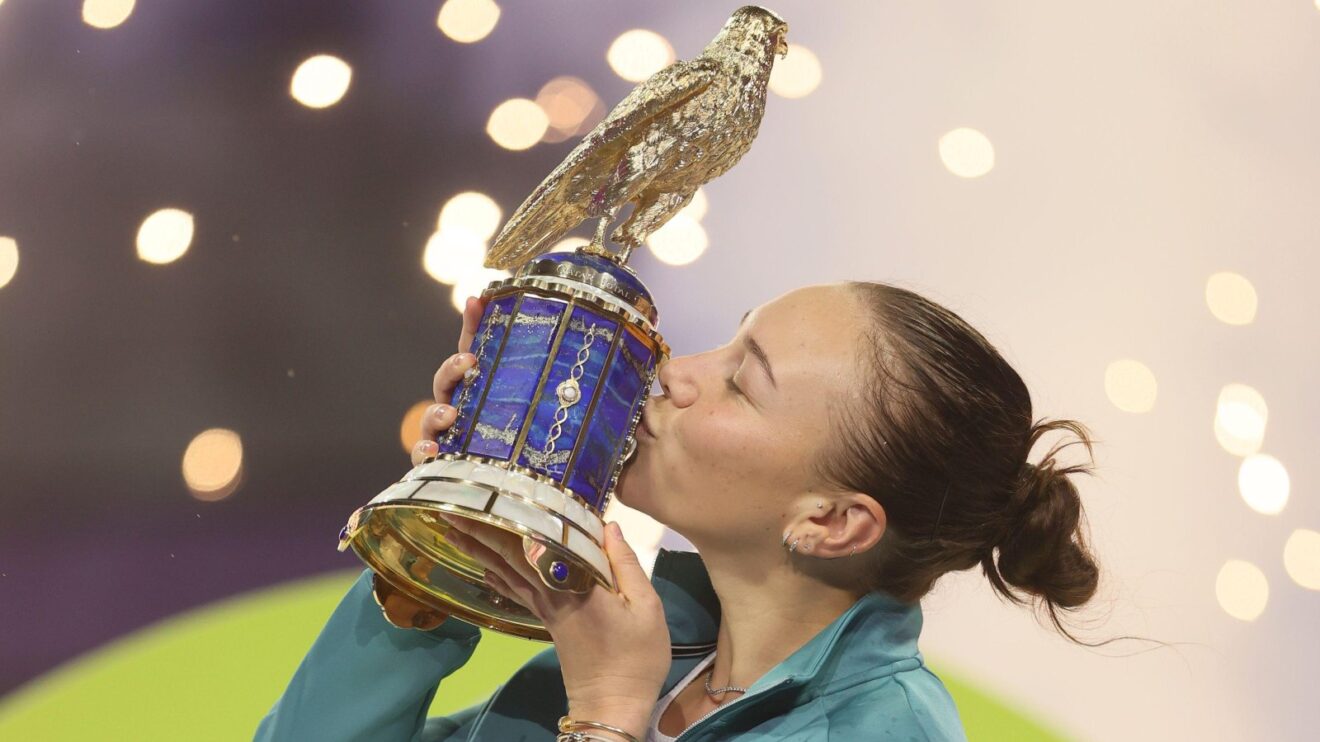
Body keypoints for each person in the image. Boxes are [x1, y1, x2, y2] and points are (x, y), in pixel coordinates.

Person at [256, 281, 1104, 742]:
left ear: (833, 522)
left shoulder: (886, 736)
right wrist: (447, 550)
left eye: (741, 381)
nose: (674, 369)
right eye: (730, 338)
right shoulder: (650, 650)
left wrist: (607, 720)